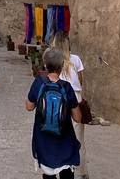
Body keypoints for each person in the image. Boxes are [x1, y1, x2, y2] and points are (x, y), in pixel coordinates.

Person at [26, 47, 82, 178]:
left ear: (45, 64)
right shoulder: (66, 87)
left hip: (43, 139)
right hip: (64, 140)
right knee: (67, 173)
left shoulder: (39, 82)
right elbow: (78, 118)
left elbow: (29, 107)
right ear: (62, 66)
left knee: (48, 173)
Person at [51, 32, 88, 179]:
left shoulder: (52, 61)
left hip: (58, 97)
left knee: (57, 136)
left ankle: (57, 168)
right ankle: (81, 172)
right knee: (78, 138)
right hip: (75, 97)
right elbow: (80, 80)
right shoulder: (76, 59)